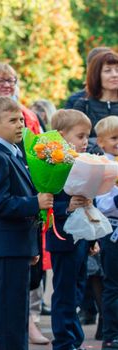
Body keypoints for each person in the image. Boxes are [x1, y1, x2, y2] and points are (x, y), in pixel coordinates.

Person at [0, 96, 53, 350]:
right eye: (12, 120)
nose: (20, 124)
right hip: (7, 248)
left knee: (19, 311)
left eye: (21, 119)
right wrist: (35, 202)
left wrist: (32, 246)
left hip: (19, 246)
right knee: (10, 313)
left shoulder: (15, 154)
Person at [47, 109, 98, 350]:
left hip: (80, 237)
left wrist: (92, 237)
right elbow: (48, 202)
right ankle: (64, 341)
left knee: (77, 290)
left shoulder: (82, 163)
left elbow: (88, 200)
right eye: (80, 136)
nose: (85, 141)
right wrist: (65, 205)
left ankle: (74, 339)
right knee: (65, 292)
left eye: (87, 136)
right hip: (62, 237)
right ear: (61, 136)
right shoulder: (52, 167)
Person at [95, 116, 118, 349]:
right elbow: (102, 203)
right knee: (113, 284)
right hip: (112, 231)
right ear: (101, 142)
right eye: (114, 138)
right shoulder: (101, 166)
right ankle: (111, 334)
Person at [73, 50, 118, 152]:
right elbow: (73, 142)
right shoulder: (83, 105)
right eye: (108, 70)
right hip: (92, 164)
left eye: (117, 70)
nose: (115, 74)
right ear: (96, 75)